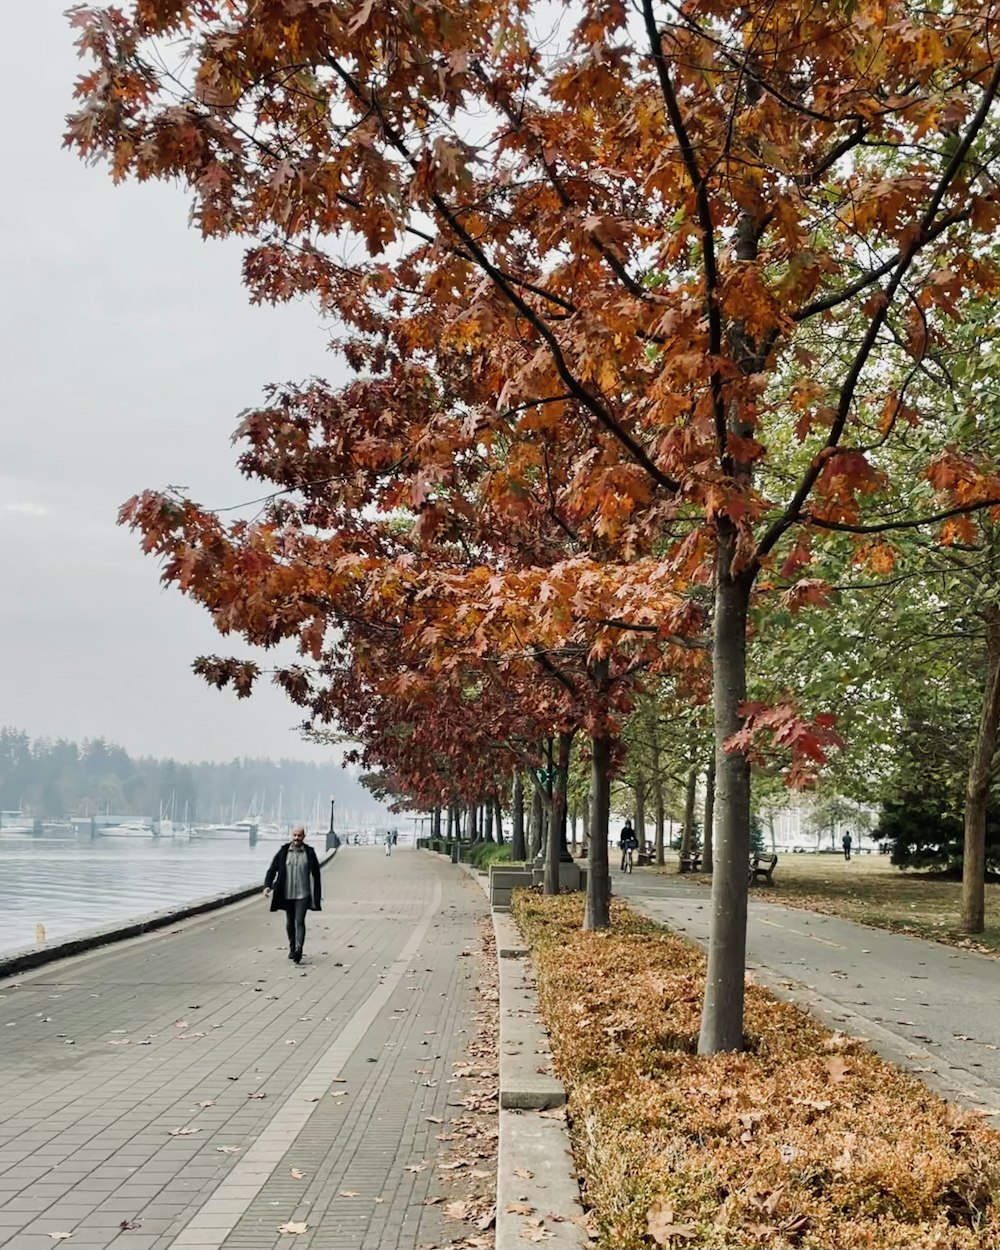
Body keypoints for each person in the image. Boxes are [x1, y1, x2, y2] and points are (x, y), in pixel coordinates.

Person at [263, 826, 322, 964]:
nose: (296, 838)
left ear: (304, 836)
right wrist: (267, 886)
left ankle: (298, 949)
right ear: (291, 835)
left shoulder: (309, 852)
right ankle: (292, 946)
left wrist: (316, 894)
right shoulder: (284, 852)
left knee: (299, 921)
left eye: (299, 835)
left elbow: (316, 875)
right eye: (294, 835)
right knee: (290, 923)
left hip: (303, 894)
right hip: (287, 894)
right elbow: (272, 870)